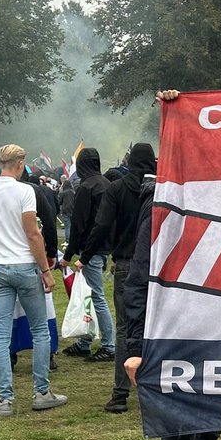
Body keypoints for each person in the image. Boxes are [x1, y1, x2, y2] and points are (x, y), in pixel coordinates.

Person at [123, 102, 221, 440]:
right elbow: (139, 276)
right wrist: (132, 346)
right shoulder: (164, 205)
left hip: (212, 332)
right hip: (171, 335)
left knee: (208, 426)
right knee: (178, 434)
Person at [0, 144, 67, 416]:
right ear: (20, 163)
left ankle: (4, 398)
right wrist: (46, 270)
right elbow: (33, 233)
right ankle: (41, 392)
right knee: (40, 331)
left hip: (0, 267)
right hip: (25, 266)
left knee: (1, 335)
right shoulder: (26, 190)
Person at [83, 143, 157, 413]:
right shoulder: (164, 187)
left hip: (127, 263)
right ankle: (157, 388)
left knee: (126, 327)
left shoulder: (117, 188)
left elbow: (102, 224)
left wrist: (87, 254)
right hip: (160, 266)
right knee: (159, 327)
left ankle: (120, 393)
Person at [61, 149, 115, 364]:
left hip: (90, 250)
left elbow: (79, 224)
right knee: (90, 296)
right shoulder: (107, 185)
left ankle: (109, 345)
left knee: (96, 296)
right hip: (103, 248)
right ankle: (85, 341)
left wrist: (70, 254)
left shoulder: (86, 187)